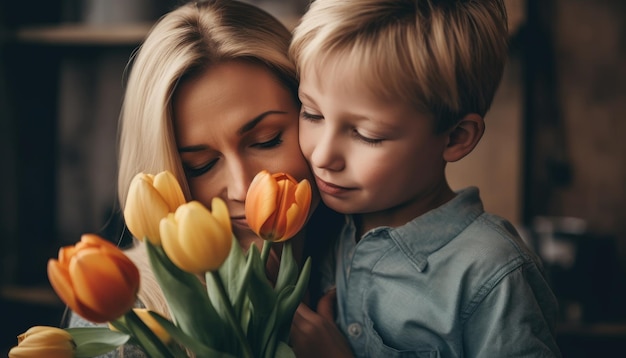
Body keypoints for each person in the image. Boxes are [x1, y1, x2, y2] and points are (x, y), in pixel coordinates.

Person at [67, 1, 343, 357]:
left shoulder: (368, 264)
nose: (243, 189)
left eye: (266, 140)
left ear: (314, 116)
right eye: (200, 165)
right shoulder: (124, 312)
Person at [289, 0, 562, 357]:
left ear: (456, 137)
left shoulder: (491, 274)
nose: (322, 156)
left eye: (368, 135)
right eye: (312, 114)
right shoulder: (324, 230)